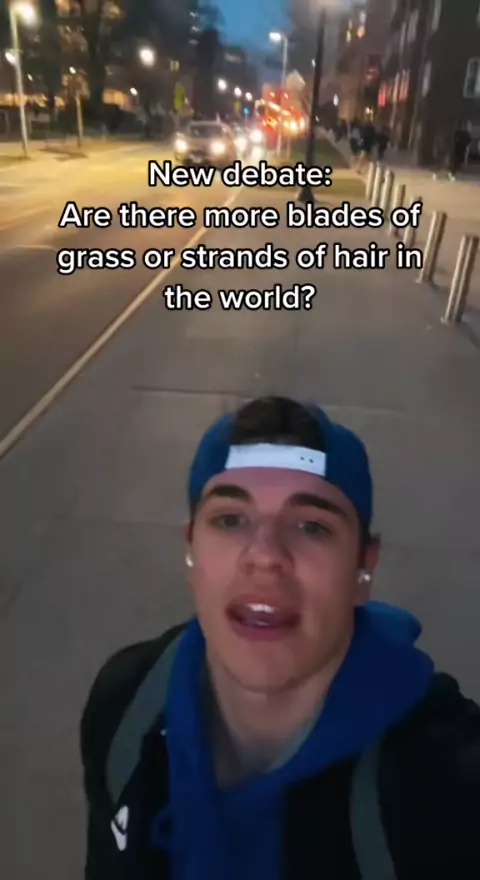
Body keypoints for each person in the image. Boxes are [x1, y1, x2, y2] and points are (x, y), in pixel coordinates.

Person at [80, 396, 480, 879]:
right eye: (230, 519)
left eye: (312, 526)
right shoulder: (126, 706)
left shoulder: (448, 790)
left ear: (363, 566)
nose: (265, 556)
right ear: (192, 549)